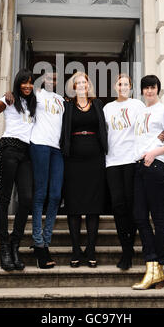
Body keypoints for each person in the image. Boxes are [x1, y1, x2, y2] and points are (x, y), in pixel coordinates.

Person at [0, 69, 36, 271]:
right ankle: (4, 246)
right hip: (9, 148)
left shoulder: (33, 103)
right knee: (4, 197)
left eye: (30, 83)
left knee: (27, 199)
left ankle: (15, 244)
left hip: (27, 153)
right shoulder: (8, 99)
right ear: (17, 83)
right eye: (24, 82)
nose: (27, 86)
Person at [132, 74, 164, 290]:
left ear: (158, 90)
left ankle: (158, 265)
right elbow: (144, 137)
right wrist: (145, 153)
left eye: (153, 87)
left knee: (158, 217)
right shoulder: (142, 112)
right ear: (142, 91)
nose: (149, 91)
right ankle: (153, 266)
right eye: (146, 88)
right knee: (140, 216)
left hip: (157, 165)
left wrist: (155, 151)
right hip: (140, 166)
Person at [60, 72, 108, 268]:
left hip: (95, 160)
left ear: (88, 86)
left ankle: (90, 249)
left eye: (84, 82)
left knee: (93, 207)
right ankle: (75, 250)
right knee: (74, 206)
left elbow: (106, 128)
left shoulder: (98, 104)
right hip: (73, 160)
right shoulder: (67, 105)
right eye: (77, 83)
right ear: (73, 86)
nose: (81, 85)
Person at [103, 74, 145, 270]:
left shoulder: (137, 105)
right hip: (112, 161)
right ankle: (126, 248)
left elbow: (147, 128)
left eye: (126, 84)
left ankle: (128, 250)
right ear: (115, 87)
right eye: (120, 84)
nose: (123, 87)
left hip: (132, 159)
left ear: (131, 87)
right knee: (118, 206)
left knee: (131, 206)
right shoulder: (107, 108)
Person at [29, 67, 64, 269]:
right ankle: (39, 242)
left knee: (55, 195)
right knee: (40, 194)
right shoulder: (37, 93)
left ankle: (46, 240)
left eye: (55, 77)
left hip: (57, 149)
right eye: (48, 76)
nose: (52, 79)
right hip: (39, 145)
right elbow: (19, 93)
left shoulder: (61, 100)